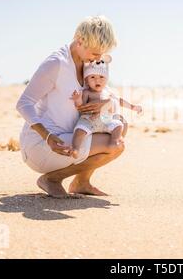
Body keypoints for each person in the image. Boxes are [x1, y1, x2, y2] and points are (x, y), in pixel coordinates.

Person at [16, 16, 125, 198]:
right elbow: (23, 103)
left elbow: (111, 97)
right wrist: (47, 136)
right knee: (115, 146)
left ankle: (81, 182)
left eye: (102, 54)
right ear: (80, 40)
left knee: (120, 126)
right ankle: (51, 179)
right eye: (96, 53)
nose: (99, 59)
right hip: (44, 143)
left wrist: (105, 103)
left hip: (73, 136)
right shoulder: (57, 63)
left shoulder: (90, 64)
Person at [70, 56, 142, 159]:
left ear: (106, 79)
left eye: (101, 77)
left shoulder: (108, 93)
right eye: (92, 77)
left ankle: (114, 141)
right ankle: (75, 148)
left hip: (106, 121)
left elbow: (119, 101)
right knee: (79, 130)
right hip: (89, 121)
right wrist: (77, 99)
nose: (97, 80)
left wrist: (133, 107)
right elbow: (81, 107)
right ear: (87, 80)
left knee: (118, 125)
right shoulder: (87, 92)